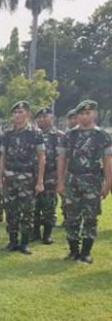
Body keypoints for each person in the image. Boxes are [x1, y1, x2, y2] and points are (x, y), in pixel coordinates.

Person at [57, 100, 112, 264]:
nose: (84, 116)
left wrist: (108, 182)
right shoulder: (69, 135)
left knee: (90, 217)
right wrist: (60, 182)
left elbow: (107, 159)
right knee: (71, 216)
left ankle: (86, 252)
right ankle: (73, 251)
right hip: (73, 179)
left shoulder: (101, 135)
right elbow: (62, 159)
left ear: (94, 114)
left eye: (87, 113)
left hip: (93, 180)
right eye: (81, 114)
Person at [0, 101, 45, 255]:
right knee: (11, 211)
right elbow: (3, 157)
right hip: (10, 176)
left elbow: (41, 158)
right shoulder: (7, 133)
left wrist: (40, 181)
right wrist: (1, 179)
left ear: (28, 114)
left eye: (21, 112)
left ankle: (25, 243)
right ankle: (12, 241)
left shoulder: (36, 133)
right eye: (15, 112)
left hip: (28, 178)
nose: (17, 115)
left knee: (27, 212)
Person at [33, 107, 64, 244]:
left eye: (45, 117)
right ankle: (35, 233)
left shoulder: (60, 136)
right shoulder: (32, 134)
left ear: (53, 118)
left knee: (49, 206)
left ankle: (47, 234)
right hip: (33, 175)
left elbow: (63, 159)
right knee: (33, 206)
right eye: (39, 117)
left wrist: (60, 179)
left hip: (51, 175)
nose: (42, 119)